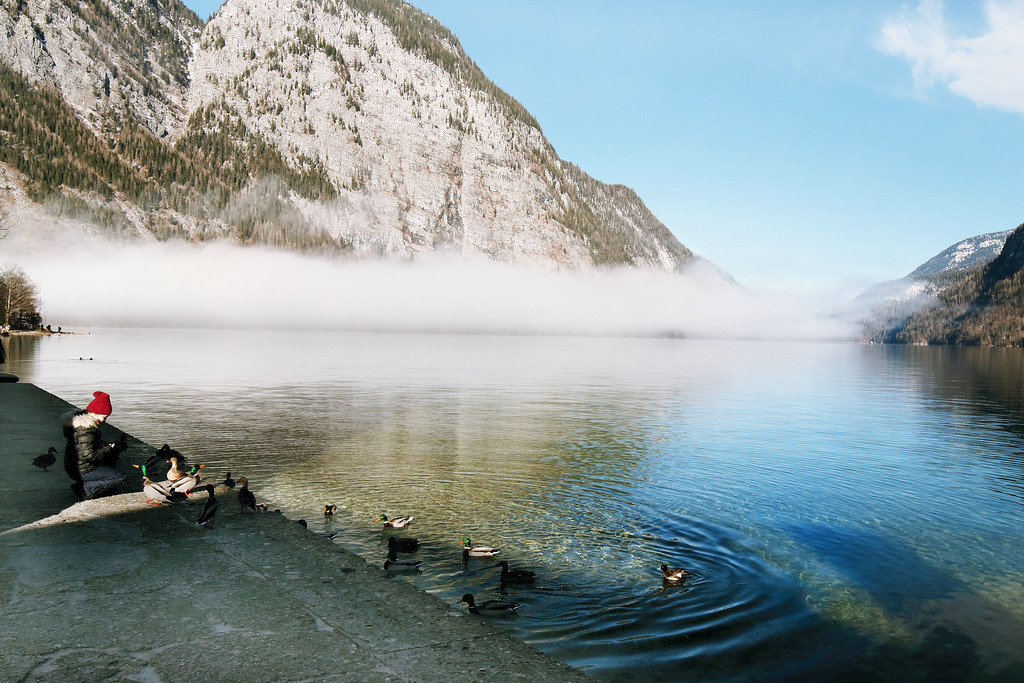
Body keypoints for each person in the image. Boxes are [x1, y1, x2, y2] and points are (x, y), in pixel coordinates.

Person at [62, 391, 128, 500]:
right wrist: (108, 448)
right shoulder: (86, 428)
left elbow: (85, 447)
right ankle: (84, 489)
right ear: (95, 413)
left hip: (73, 466)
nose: (105, 421)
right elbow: (89, 456)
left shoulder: (78, 424)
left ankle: (92, 486)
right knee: (120, 477)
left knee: (112, 454)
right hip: (80, 470)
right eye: (104, 417)